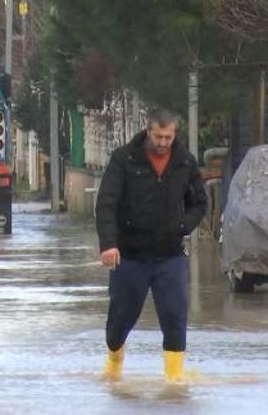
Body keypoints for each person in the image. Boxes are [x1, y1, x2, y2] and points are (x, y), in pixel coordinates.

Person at [95, 109, 207, 383]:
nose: (164, 142)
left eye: (169, 137)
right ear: (148, 131)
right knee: (121, 318)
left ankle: (174, 379)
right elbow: (106, 204)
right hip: (130, 255)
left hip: (170, 256)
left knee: (174, 315)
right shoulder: (124, 159)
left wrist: (183, 226)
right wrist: (109, 245)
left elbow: (200, 203)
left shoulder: (185, 162)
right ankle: (113, 361)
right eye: (159, 136)